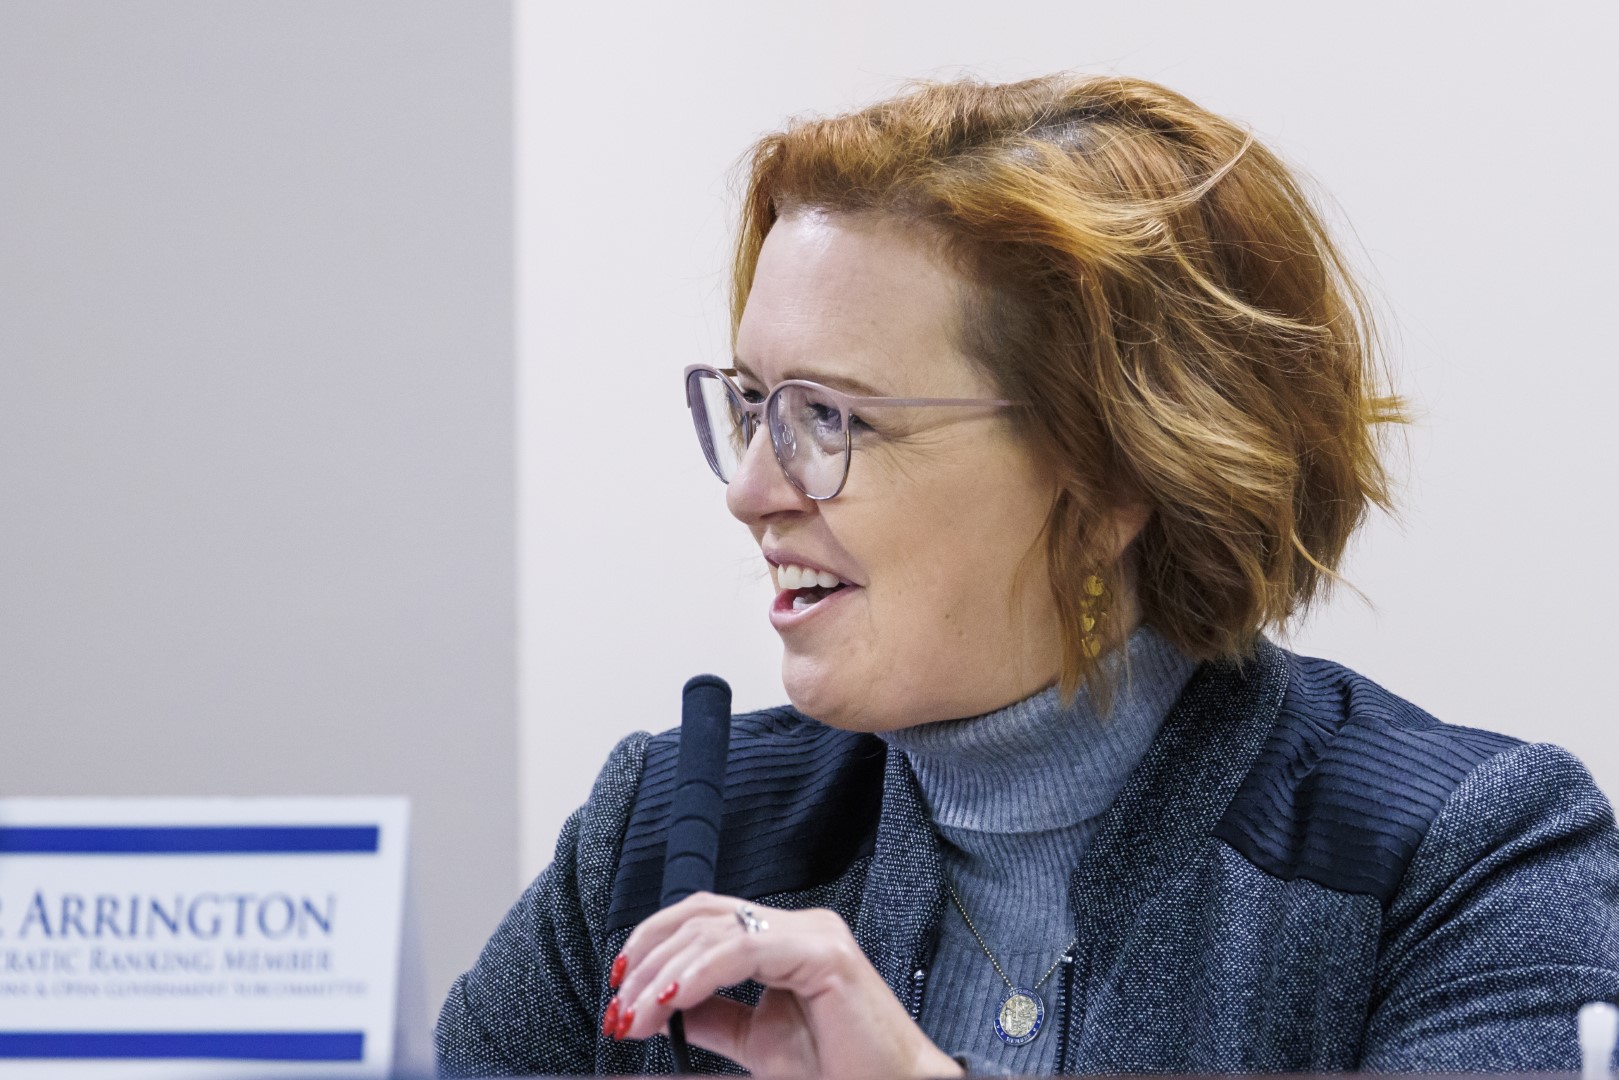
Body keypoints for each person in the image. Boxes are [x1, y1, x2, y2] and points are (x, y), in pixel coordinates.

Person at [437, 74, 1619, 1077]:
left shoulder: (1464, 861)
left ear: (1107, 477)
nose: (751, 490)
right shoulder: (654, 835)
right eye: (753, 406)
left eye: (831, 418)